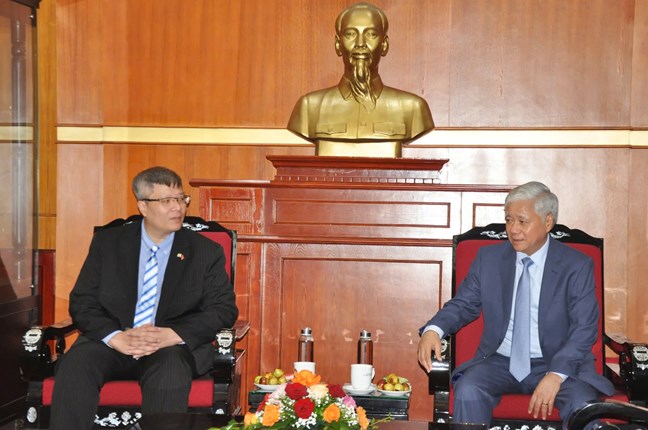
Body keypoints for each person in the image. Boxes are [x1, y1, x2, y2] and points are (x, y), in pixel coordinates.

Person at [50, 166, 238, 430]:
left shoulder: (205, 251)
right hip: (114, 341)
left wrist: (171, 335)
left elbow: (223, 309)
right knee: (76, 364)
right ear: (143, 206)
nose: (178, 208)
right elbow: (83, 302)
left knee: (170, 369)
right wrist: (116, 337)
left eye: (181, 199)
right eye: (166, 201)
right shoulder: (108, 243)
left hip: (171, 348)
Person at [417, 181, 614, 427]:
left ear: (548, 222)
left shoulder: (576, 265)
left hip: (557, 361)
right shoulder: (489, 259)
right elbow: (463, 304)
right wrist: (434, 330)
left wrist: (555, 375)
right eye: (509, 220)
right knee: (469, 389)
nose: (513, 229)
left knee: (582, 405)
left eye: (522, 221)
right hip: (500, 361)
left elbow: (584, 328)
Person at [287, 2, 434, 157]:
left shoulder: (413, 108)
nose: (360, 43)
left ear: (384, 45)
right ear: (338, 44)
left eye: (371, 34)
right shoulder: (309, 107)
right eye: (350, 34)